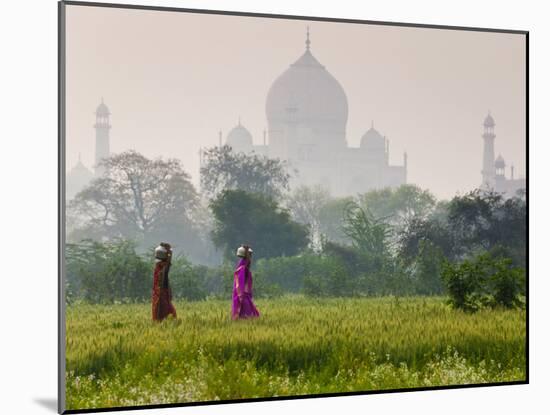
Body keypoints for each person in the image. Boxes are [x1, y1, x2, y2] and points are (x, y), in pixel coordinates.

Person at [232, 244, 260, 320]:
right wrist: (241, 297)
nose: (251, 257)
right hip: (243, 298)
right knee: (249, 317)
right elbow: (239, 285)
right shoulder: (242, 269)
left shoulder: (244, 268)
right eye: (249, 255)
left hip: (246, 297)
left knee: (253, 317)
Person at [152, 242, 177, 322]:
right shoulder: (162, 267)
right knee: (166, 311)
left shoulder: (158, 267)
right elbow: (168, 264)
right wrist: (170, 253)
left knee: (161, 311)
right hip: (161, 293)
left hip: (160, 293)